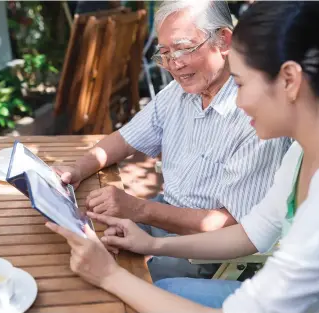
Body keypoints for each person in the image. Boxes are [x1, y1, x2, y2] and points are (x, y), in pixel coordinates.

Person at [46, 1, 319, 312]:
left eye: (242, 84)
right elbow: (252, 232)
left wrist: (109, 275)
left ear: (289, 80)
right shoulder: (307, 149)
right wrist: (152, 245)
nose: (239, 102)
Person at [53, 0, 290, 282]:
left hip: (208, 253)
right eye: (164, 53)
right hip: (165, 212)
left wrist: (140, 210)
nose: (173, 65)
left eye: (183, 48)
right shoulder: (178, 93)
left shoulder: (256, 118)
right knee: (78, 237)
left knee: (105, 282)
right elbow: (126, 139)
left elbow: (235, 226)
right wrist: (77, 170)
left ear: (224, 40)